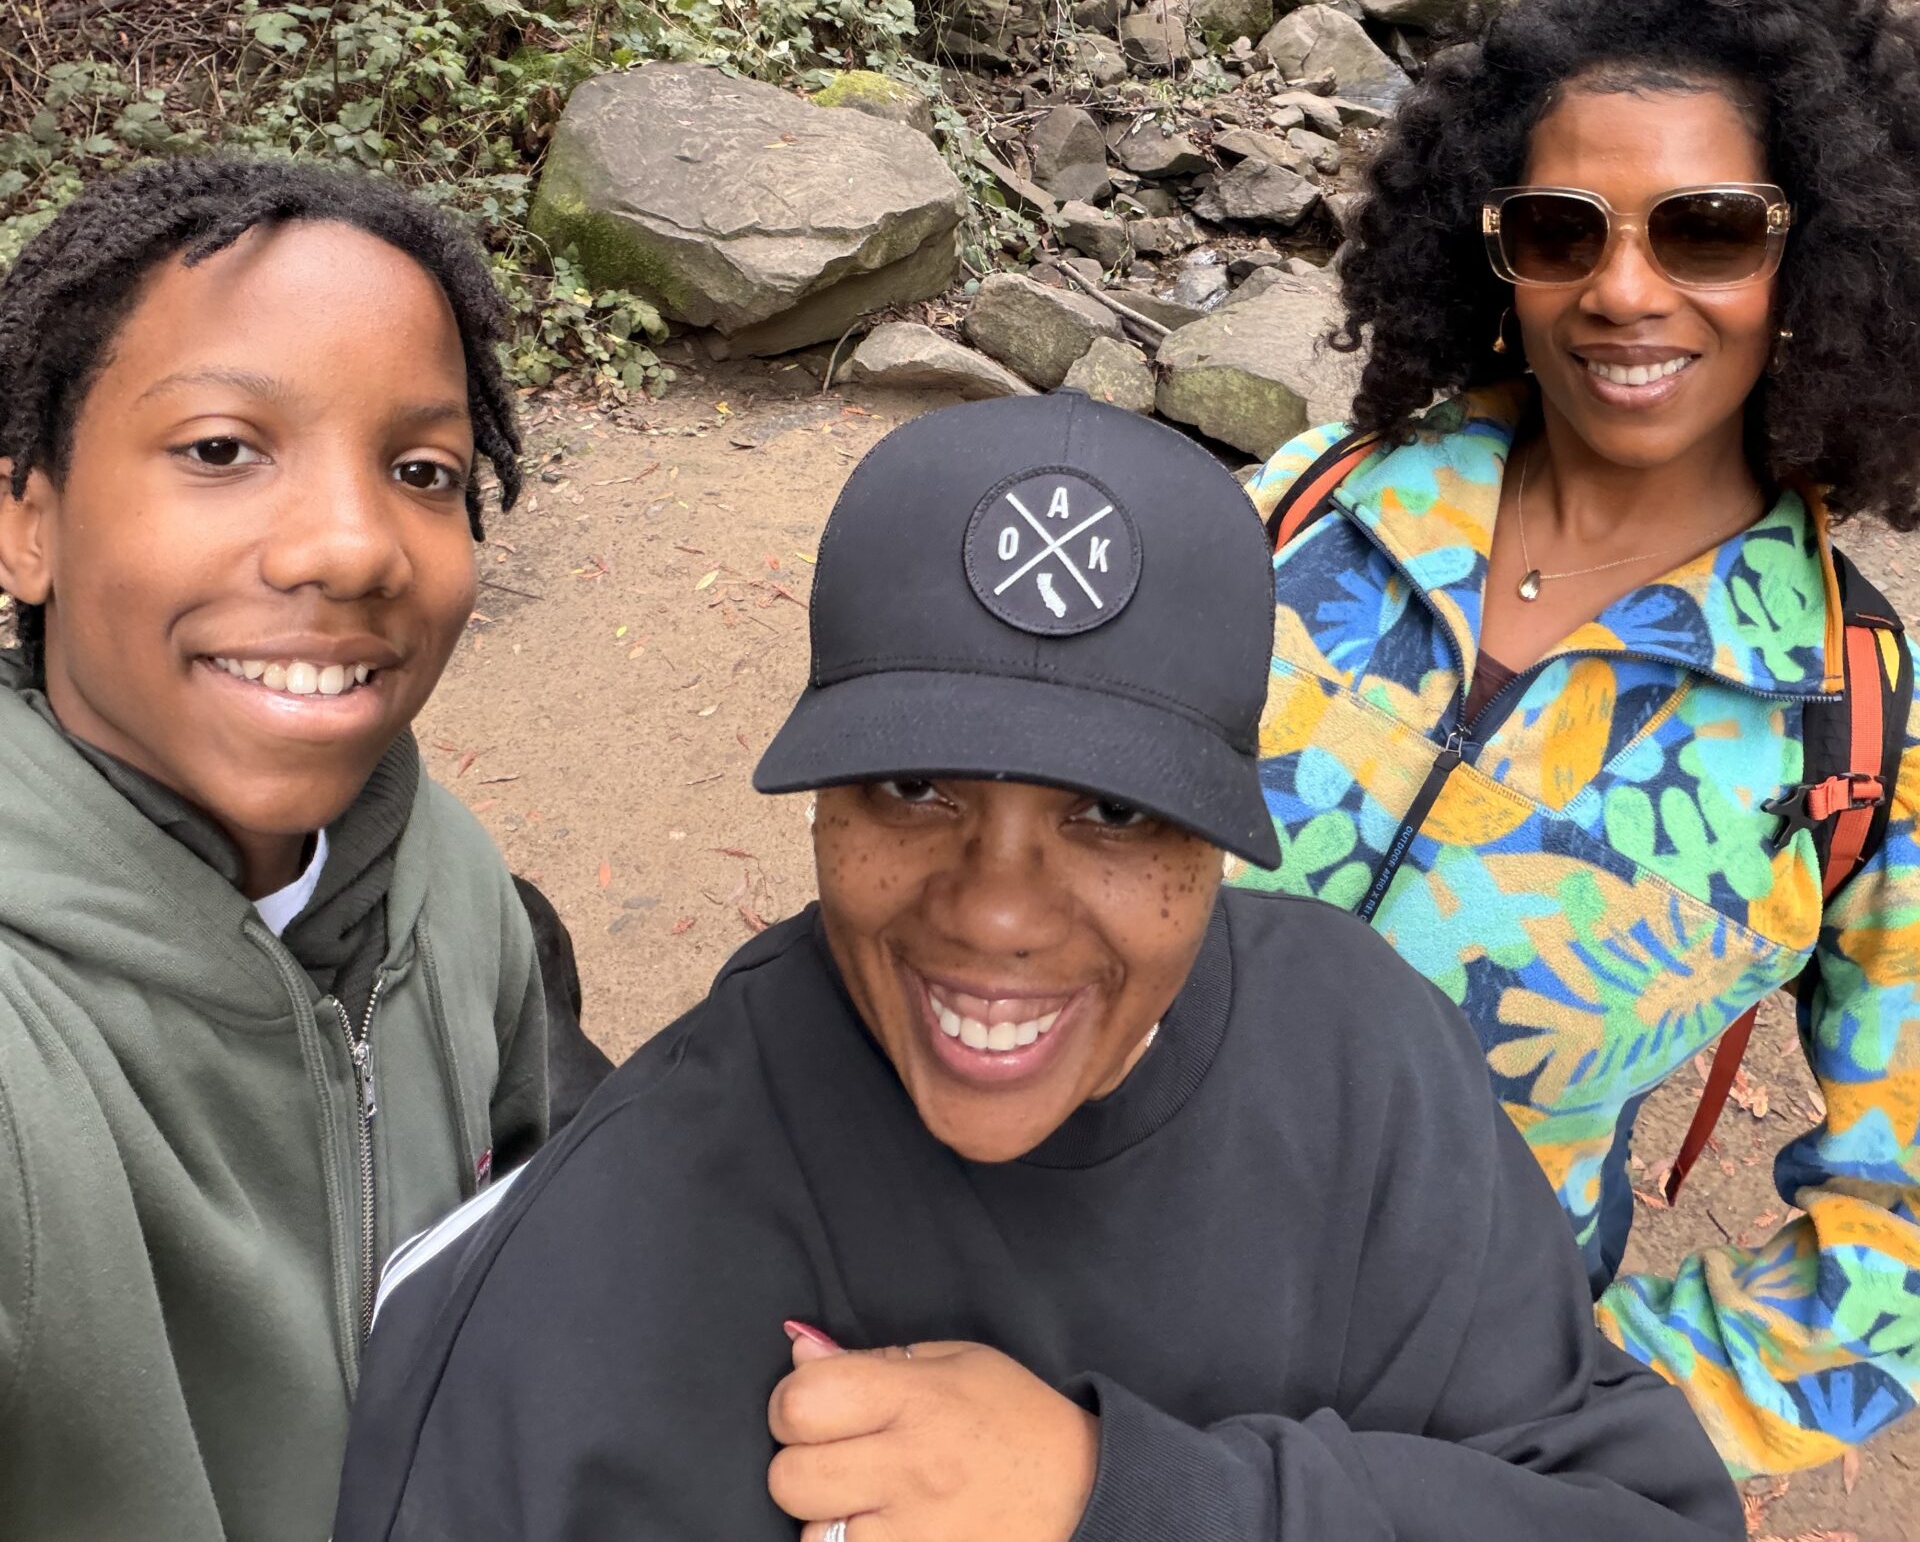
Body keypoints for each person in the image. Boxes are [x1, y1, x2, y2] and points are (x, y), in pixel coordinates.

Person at [335, 391, 1741, 1542]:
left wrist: (1115, 1497)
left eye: (1114, 811)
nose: (999, 914)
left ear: (1220, 836)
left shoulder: (1363, 1064)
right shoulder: (650, 1206)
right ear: (821, 808)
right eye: (911, 787)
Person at [1246, 0, 1920, 1480]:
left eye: (1708, 231)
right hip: (1049, 1299)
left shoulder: (1852, 726)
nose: (1623, 290)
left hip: (1407, 1451)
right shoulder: (1306, 508)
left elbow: (1895, 1256)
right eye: (1561, 231)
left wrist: (1566, 1427)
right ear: (1491, 246)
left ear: (1818, 254)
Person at [0, 157, 553, 1542]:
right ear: (27, 522)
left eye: (421, 471)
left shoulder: (450, 878)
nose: (353, 549)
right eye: (221, 449)